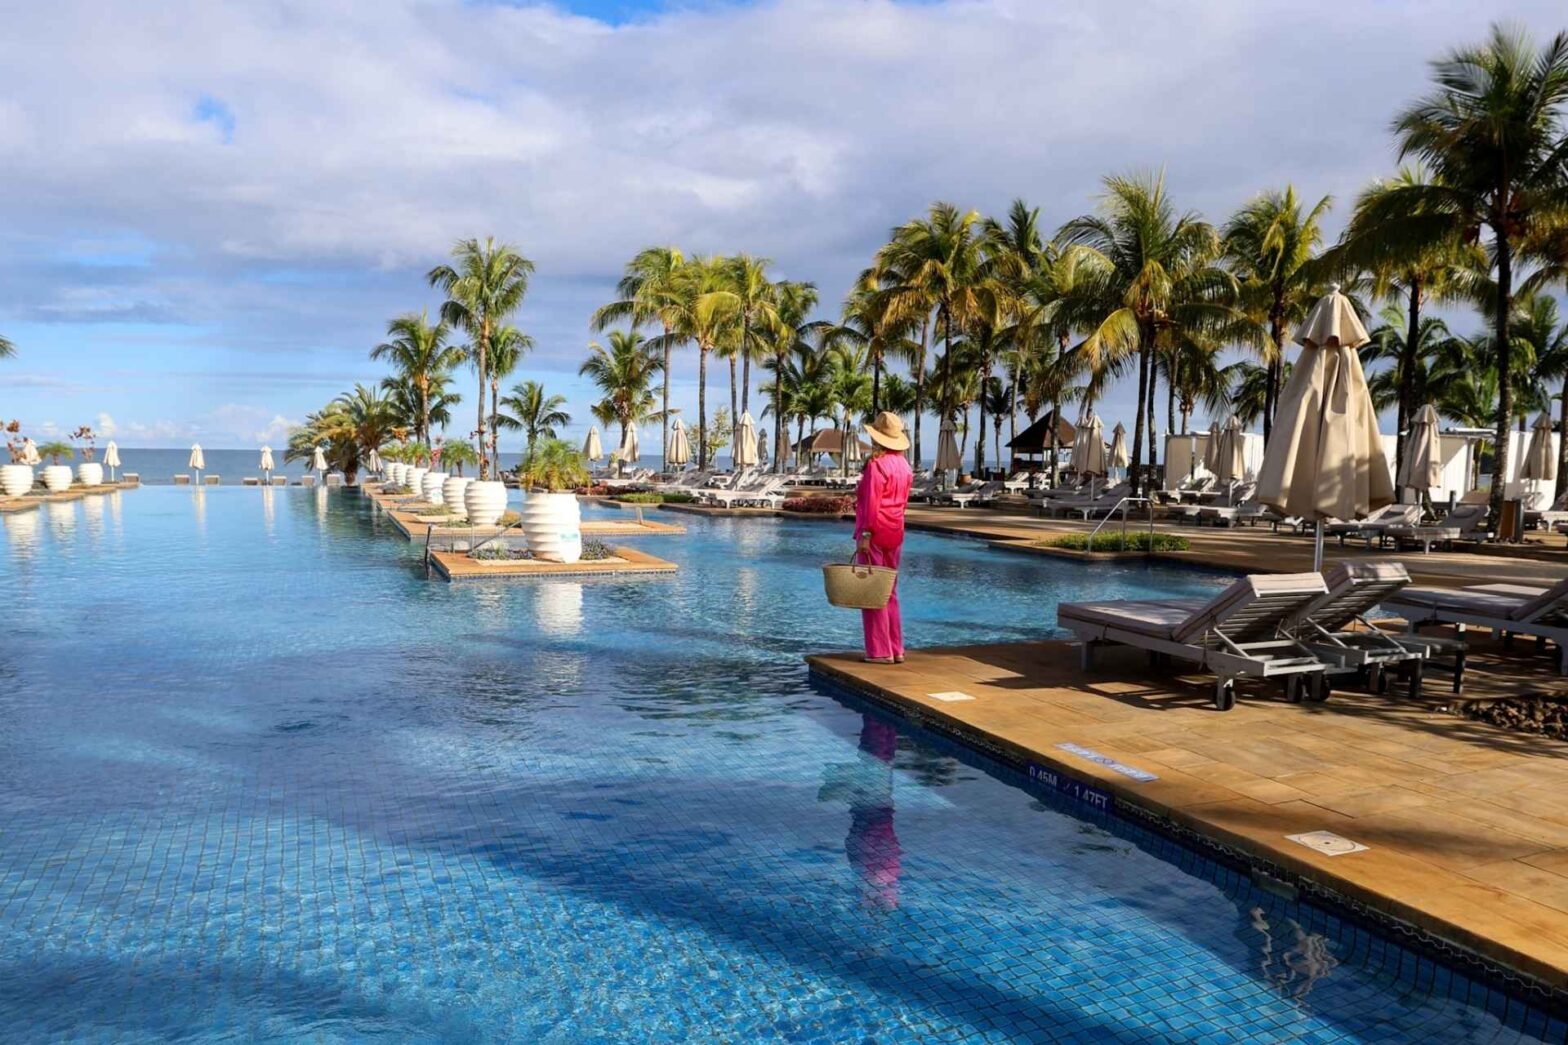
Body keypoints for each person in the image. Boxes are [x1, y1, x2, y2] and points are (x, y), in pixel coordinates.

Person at [853, 412, 913, 664]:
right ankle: (896, 648)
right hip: (895, 531)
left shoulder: (877, 466)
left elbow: (871, 503)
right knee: (890, 590)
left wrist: (866, 533)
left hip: (875, 531)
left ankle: (879, 651)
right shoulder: (905, 466)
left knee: (873, 590)